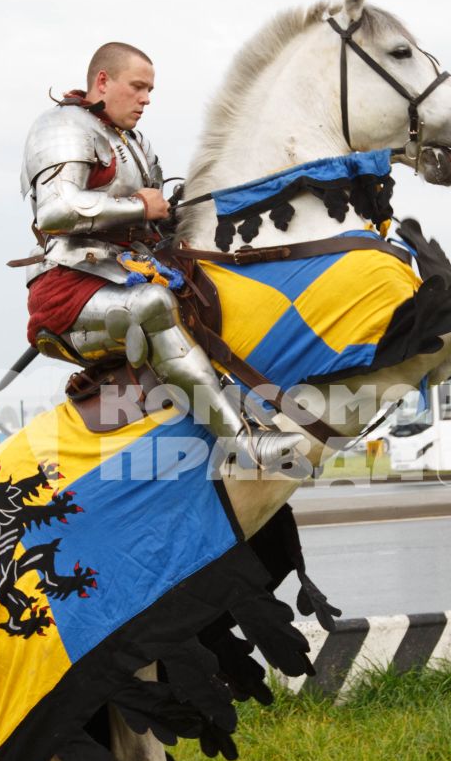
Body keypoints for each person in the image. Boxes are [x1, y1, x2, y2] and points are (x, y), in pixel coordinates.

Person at [19, 43, 302, 469]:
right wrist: (139, 206)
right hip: (68, 285)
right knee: (155, 304)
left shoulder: (133, 143)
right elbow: (55, 210)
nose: (146, 99)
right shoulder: (61, 128)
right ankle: (241, 443)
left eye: (150, 90)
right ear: (102, 82)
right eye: (137, 87)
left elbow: (153, 224)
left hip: (128, 270)